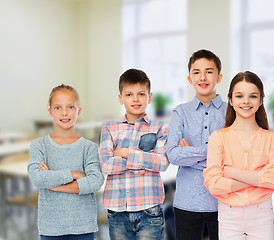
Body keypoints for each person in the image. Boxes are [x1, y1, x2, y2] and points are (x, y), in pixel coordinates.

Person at [203, 71, 274, 240]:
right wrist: (258, 180)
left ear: (261, 101)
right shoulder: (218, 138)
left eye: (253, 96)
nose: (246, 101)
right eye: (239, 96)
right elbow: (213, 184)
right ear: (231, 100)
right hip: (229, 215)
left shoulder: (273, 139)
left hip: (261, 214)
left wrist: (231, 172)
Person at [28, 84, 104, 240]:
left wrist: (52, 184)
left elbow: (96, 181)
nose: (64, 113)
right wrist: (74, 174)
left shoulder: (89, 147)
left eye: (70, 107)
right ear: (50, 111)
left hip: (83, 225)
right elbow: (37, 178)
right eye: (57, 108)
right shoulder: (39, 145)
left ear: (79, 111)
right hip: (51, 227)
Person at [99, 68, 169, 240]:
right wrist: (143, 162)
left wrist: (124, 153)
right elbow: (106, 165)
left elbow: (161, 163)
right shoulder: (109, 128)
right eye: (129, 94)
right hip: (117, 211)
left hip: (150, 209)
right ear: (120, 98)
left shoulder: (160, 128)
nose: (135, 99)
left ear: (149, 97)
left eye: (141, 94)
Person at [166, 49, 227, 240]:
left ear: (219, 77)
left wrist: (190, 154)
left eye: (209, 71)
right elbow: (173, 155)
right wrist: (215, 152)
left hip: (223, 203)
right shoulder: (180, 112)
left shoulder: (232, 111)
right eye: (196, 72)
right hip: (187, 203)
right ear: (189, 77)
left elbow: (233, 157)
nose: (203, 77)